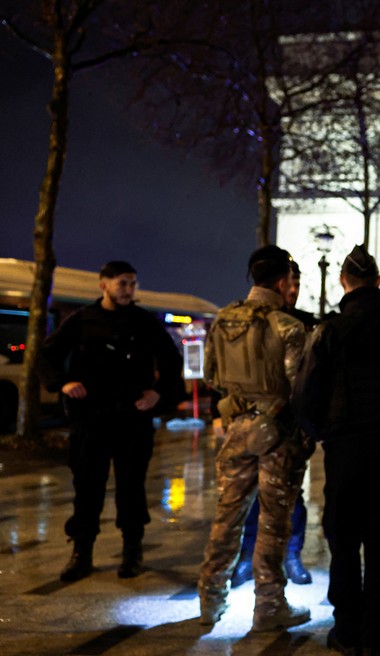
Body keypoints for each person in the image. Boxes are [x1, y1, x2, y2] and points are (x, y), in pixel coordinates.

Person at [292, 245, 380, 656]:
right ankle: (378, 627)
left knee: (344, 538)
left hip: (345, 448)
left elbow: (307, 395)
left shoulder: (330, 331)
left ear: (342, 281)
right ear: (379, 283)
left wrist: (319, 433)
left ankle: (347, 627)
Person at [38, 260, 183, 582]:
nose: (128, 290)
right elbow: (47, 354)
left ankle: (133, 552)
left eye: (132, 283)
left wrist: (158, 393)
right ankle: (81, 553)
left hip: (132, 419)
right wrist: (61, 383)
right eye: (122, 283)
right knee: (87, 488)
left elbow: (172, 360)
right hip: (90, 419)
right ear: (103, 285)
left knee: (131, 488)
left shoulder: (144, 322)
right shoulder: (82, 320)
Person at [197, 245, 312, 632]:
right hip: (277, 435)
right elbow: (299, 388)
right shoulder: (289, 327)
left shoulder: (223, 319)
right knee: (273, 524)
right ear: (283, 282)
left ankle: (210, 599)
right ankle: (269, 606)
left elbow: (211, 377)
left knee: (227, 516)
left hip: (236, 431)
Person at [229, 260, 316, 588]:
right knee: (250, 496)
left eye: (297, 282)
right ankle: (249, 557)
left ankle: (292, 555)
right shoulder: (249, 321)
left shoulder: (304, 323)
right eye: (289, 282)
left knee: (293, 498)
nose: (292, 290)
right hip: (252, 425)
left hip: (290, 427)